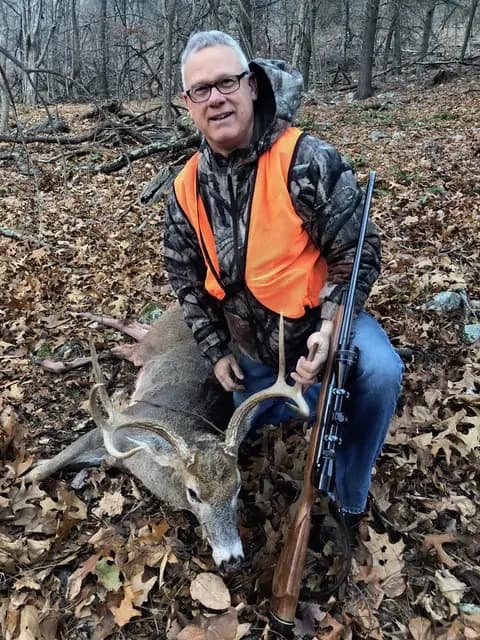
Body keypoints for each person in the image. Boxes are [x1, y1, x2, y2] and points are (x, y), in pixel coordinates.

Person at [164, 30, 404, 527]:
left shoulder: (307, 161)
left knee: (380, 372)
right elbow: (182, 274)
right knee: (239, 443)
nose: (217, 99)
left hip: (319, 330)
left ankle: (348, 497)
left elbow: (360, 250)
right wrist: (214, 348)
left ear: (251, 85)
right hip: (251, 353)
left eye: (227, 82)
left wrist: (331, 329)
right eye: (201, 90)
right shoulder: (187, 187)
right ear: (187, 104)